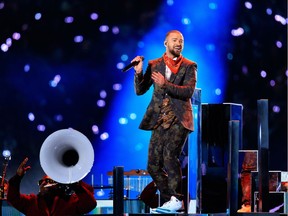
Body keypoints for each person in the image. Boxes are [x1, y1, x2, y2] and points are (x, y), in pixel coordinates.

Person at [132, 29, 197, 213]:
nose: (179, 43)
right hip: (159, 119)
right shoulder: (154, 64)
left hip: (179, 118)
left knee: (170, 156)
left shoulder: (189, 66)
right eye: (175, 40)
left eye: (181, 41)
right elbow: (140, 90)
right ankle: (172, 200)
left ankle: (177, 197)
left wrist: (165, 84)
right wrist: (138, 73)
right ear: (165, 43)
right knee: (152, 165)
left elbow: (188, 92)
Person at [7, 157, 97, 216]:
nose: (43, 183)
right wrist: (17, 177)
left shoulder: (70, 201)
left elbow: (90, 204)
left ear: (58, 184)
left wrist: (74, 183)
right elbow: (12, 198)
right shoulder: (31, 202)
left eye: (48, 181)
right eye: (41, 182)